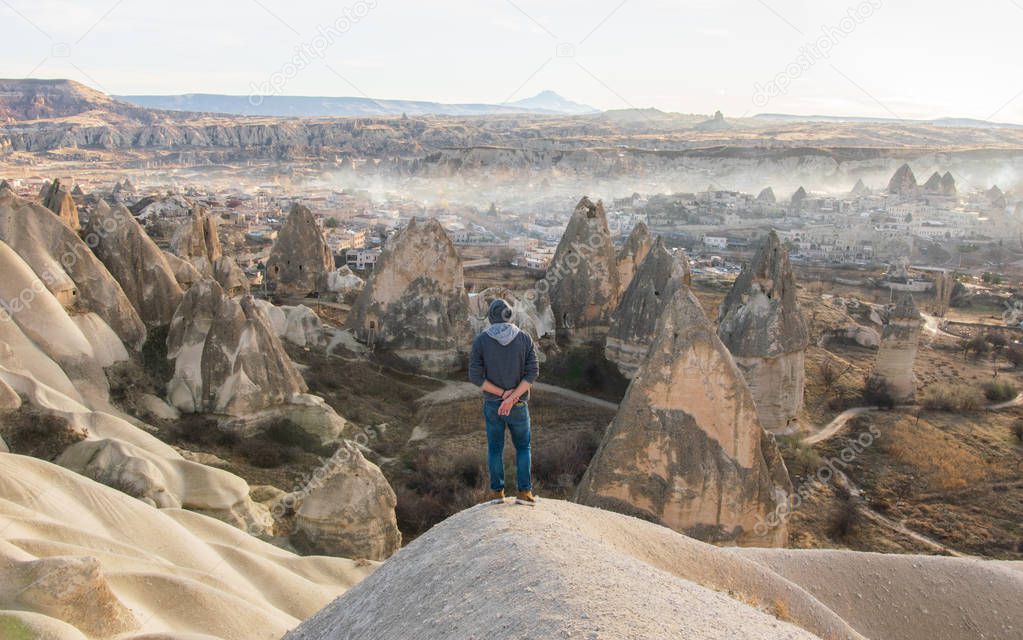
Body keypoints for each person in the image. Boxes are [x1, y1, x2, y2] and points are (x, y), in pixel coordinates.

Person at [468, 298, 539, 506]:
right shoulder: (524, 339)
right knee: (523, 448)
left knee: (495, 449)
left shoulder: (481, 341)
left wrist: (501, 395)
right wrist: (512, 397)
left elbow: (475, 376)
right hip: (518, 405)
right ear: (509, 315)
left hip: (493, 405)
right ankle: (524, 493)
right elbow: (533, 372)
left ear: (490, 317)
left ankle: (497, 494)